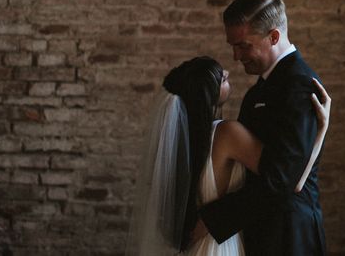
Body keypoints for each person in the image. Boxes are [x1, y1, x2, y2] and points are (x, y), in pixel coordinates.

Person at [125, 55, 329, 256]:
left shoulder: (184, 141)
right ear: (207, 94)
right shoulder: (228, 133)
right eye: (222, 78)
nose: (229, 72)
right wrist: (320, 131)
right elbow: (289, 177)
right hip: (220, 246)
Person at [196, 0, 327, 256]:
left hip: (289, 239)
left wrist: (209, 221)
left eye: (243, 45)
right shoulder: (260, 90)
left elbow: (281, 181)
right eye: (232, 46)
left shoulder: (299, 86)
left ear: (274, 36)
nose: (235, 56)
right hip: (260, 233)